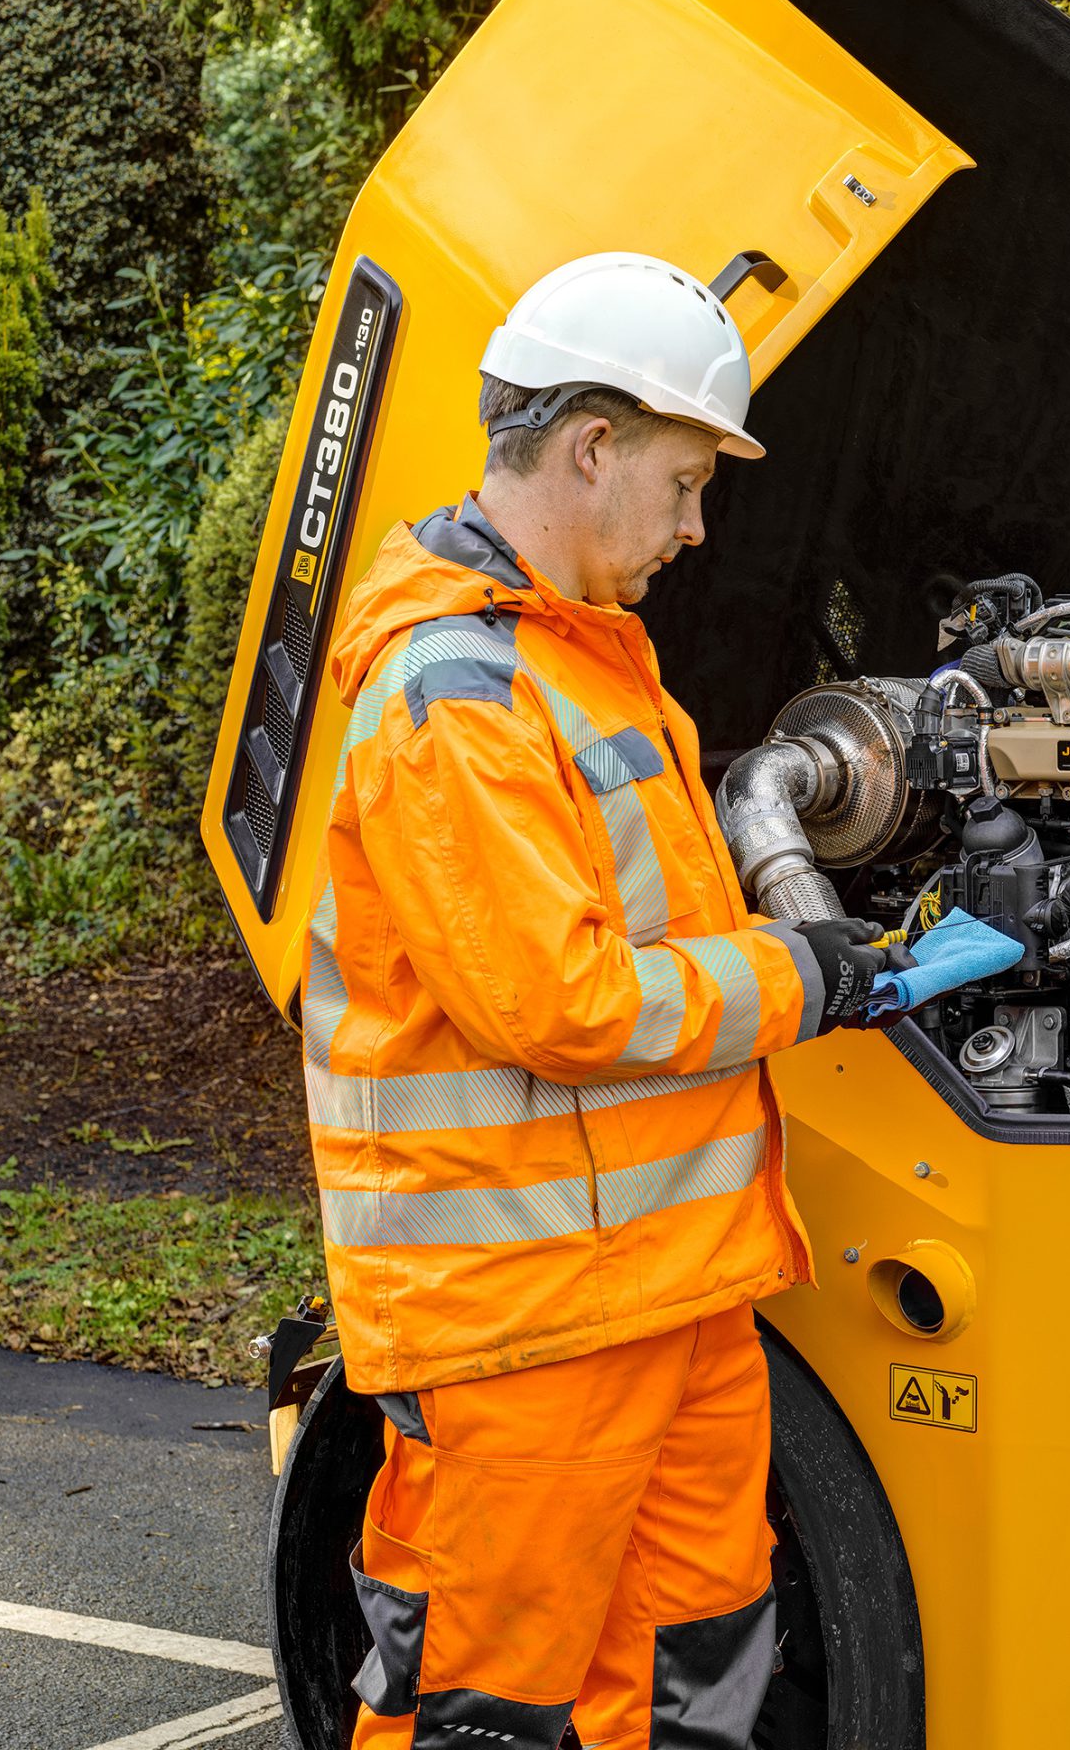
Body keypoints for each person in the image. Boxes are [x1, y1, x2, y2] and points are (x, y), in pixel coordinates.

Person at [302, 252, 889, 1750]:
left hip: (667, 1294)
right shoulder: (455, 692)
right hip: (525, 1329)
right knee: (493, 1708)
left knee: (703, 1675)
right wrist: (799, 977)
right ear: (590, 449)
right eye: (687, 484)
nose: (698, 529)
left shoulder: (589, 663)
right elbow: (555, 1004)